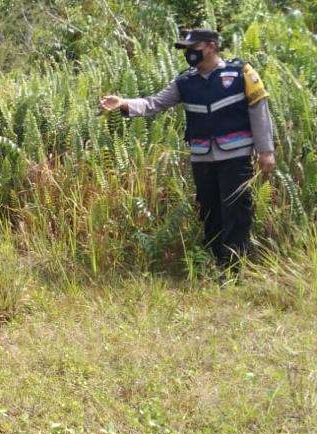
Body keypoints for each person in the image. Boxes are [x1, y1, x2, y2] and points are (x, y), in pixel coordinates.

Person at [100, 28, 276, 270]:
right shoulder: (184, 82)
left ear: (211, 46)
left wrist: (266, 150)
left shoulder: (240, 73)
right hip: (202, 158)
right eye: (186, 50)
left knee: (236, 211)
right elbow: (154, 103)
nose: (189, 54)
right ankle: (215, 263)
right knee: (210, 211)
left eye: (193, 49)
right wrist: (123, 103)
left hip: (236, 157)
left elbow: (259, 110)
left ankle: (234, 268)